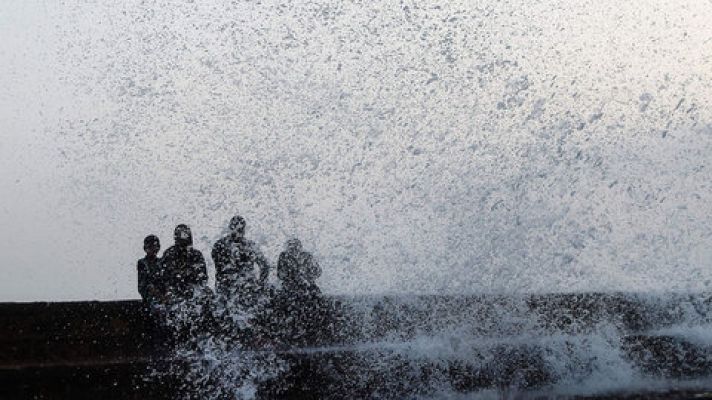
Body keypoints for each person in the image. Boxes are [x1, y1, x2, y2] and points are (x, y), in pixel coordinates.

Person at [211, 215, 270, 296]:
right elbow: (264, 265)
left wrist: (260, 284)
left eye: (240, 229)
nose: (239, 232)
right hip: (242, 289)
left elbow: (265, 266)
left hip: (229, 289)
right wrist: (260, 284)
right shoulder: (249, 245)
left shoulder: (220, 245)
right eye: (238, 229)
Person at [161, 224, 210, 301]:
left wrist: (192, 274)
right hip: (174, 290)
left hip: (193, 289)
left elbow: (203, 278)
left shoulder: (196, 254)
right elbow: (164, 277)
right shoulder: (169, 254)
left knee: (208, 295)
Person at [137, 235, 165, 304]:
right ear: (145, 248)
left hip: (162, 297)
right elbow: (145, 285)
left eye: (155, 247)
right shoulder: (142, 263)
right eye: (150, 247)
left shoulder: (161, 262)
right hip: (150, 298)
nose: (153, 249)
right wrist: (159, 296)